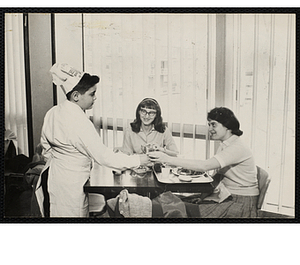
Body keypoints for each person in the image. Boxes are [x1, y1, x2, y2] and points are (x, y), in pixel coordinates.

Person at [35, 63, 149, 217]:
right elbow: (104, 157)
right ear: (76, 96)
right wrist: (139, 160)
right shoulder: (79, 121)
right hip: (72, 184)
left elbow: (46, 148)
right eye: (92, 94)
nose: (95, 98)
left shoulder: (54, 112)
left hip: (53, 177)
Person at [149, 107, 259, 218]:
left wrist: (167, 158)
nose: (210, 129)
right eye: (209, 125)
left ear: (227, 126)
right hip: (228, 196)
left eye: (213, 125)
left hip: (239, 202)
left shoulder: (236, 147)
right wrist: (203, 197)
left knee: (171, 209)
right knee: (168, 200)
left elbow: (204, 166)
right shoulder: (227, 144)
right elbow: (218, 176)